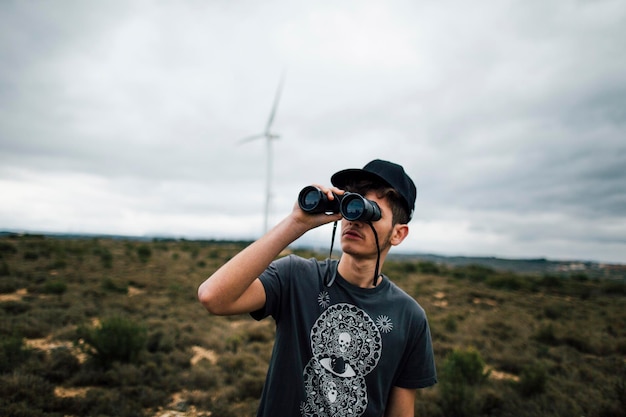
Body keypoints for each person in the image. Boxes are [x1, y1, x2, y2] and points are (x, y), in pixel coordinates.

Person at [198, 159, 437, 417]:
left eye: (369, 211)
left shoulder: (410, 317)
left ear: (398, 234)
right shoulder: (296, 277)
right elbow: (213, 297)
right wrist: (296, 223)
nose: (354, 219)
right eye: (351, 204)